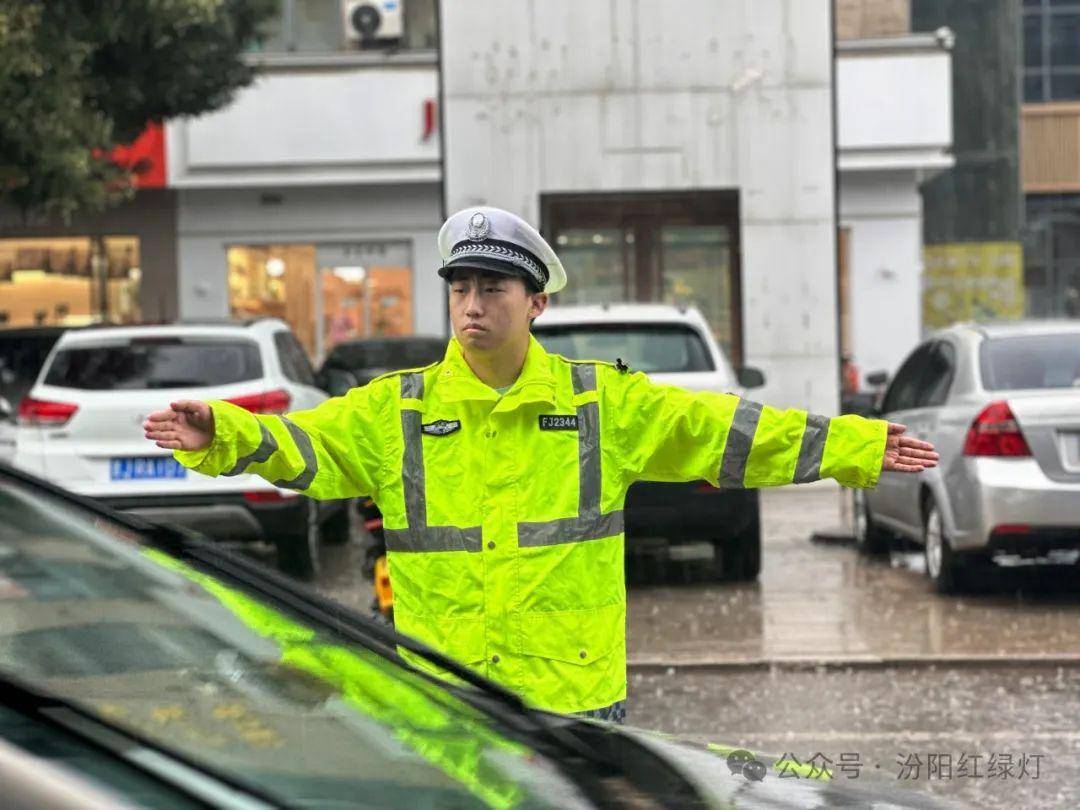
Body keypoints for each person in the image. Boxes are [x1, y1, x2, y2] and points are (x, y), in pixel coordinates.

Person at [144, 206, 938, 724]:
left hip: (573, 705)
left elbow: (724, 430)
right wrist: (225, 432)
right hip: (445, 702)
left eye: (492, 288)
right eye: (460, 288)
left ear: (536, 304)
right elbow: (308, 449)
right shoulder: (400, 410)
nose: (471, 306)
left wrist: (856, 447)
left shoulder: (601, 404)